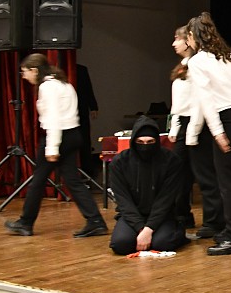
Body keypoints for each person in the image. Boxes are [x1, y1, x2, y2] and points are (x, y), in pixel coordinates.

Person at [4, 54, 108, 238]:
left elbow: (53, 118)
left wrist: (52, 148)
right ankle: (95, 221)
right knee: (72, 181)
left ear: (35, 70)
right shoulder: (64, 83)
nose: (24, 76)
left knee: (38, 181)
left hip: (58, 136)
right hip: (73, 134)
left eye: (25, 72)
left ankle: (26, 223)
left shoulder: (47, 87)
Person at [185, 12, 231, 256]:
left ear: (195, 36)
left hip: (227, 120)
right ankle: (230, 231)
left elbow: (206, 100)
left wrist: (217, 132)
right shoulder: (230, 56)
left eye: (188, 36)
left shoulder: (197, 62)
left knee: (227, 184)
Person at [108, 116, 190, 255]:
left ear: (157, 141)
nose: (145, 146)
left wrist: (149, 229)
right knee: (120, 244)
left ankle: (179, 230)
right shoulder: (120, 162)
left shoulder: (171, 161)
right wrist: (141, 228)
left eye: (150, 142)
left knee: (162, 243)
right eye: (140, 142)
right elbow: (123, 200)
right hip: (132, 215)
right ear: (133, 141)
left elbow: (166, 199)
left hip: (163, 215)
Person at [167, 25, 209, 231]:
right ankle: (181, 213)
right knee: (178, 171)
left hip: (196, 122)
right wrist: (174, 127)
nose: (174, 43)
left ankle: (210, 219)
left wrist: (192, 129)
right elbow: (179, 102)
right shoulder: (183, 65)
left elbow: (197, 100)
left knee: (200, 172)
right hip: (183, 122)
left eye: (177, 39)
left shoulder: (196, 65)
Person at [75, 63, 100, 180]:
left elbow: (88, 88)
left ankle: (87, 169)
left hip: (81, 110)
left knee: (84, 140)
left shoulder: (81, 69)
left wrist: (93, 106)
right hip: (69, 112)